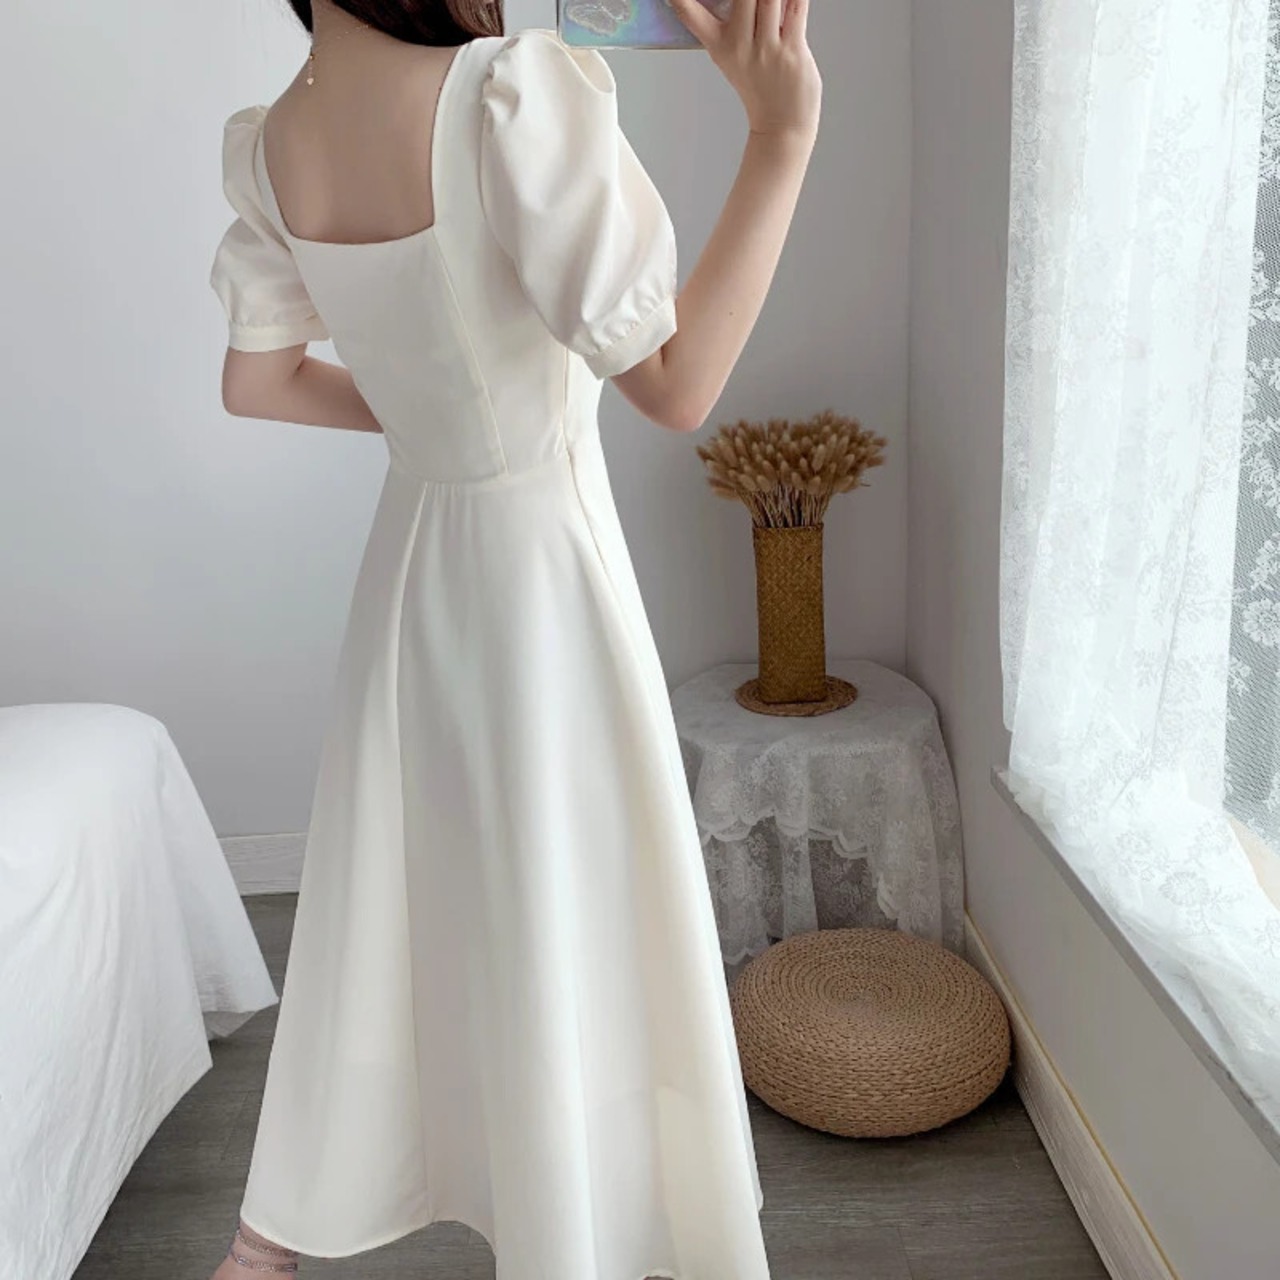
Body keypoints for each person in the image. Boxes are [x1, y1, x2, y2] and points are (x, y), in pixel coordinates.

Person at [208, 0, 820, 1275]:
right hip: (543, 575)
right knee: (564, 897)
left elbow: (256, 379)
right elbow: (677, 385)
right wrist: (779, 136)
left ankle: (269, 1243)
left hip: (411, 570)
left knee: (406, 893)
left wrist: (439, 404)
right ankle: (564, 1227)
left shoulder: (274, 142)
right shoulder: (505, 94)